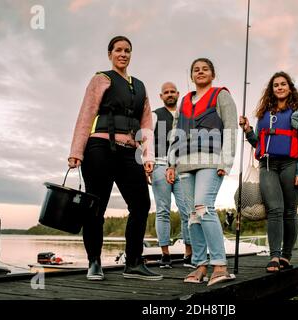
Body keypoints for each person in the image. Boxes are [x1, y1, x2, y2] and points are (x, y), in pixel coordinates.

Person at [68, 35, 162, 281]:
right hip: (99, 148)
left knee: (141, 204)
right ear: (110, 54)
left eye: (127, 50)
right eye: (118, 50)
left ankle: (133, 263)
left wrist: (148, 155)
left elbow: (147, 125)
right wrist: (76, 152)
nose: (123, 54)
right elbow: (86, 113)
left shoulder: (140, 86)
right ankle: (94, 262)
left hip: (130, 151)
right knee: (96, 206)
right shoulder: (101, 79)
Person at [166, 58, 238, 286]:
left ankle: (220, 264)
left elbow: (230, 129)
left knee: (203, 207)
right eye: (196, 70)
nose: (200, 72)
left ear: (213, 74)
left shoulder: (221, 96)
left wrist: (225, 163)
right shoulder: (184, 101)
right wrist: (170, 164)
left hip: (210, 161)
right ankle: (199, 265)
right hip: (185, 165)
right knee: (191, 216)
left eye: (205, 69)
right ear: (191, 76)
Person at [239, 71, 298, 272]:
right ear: (272, 90)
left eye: (283, 84)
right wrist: (248, 131)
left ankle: (286, 256)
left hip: (291, 165)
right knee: (275, 209)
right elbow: (258, 144)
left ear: (290, 88)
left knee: (290, 211)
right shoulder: (264, 114)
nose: (279, 87)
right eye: (276, 85)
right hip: (268, 166)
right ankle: (274, 256)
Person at [151, 82, 194, 269]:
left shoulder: (186, 116)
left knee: (187, 210)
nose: (169, 94)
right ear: (161, 96)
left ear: (178, 94)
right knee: (162, 210)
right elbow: (146, 142)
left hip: (182, 167)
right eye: (165, 92)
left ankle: (189, 253)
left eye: (172, 92)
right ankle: (165, 254)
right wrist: (148, 164)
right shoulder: (154, 115)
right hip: (160, 165)